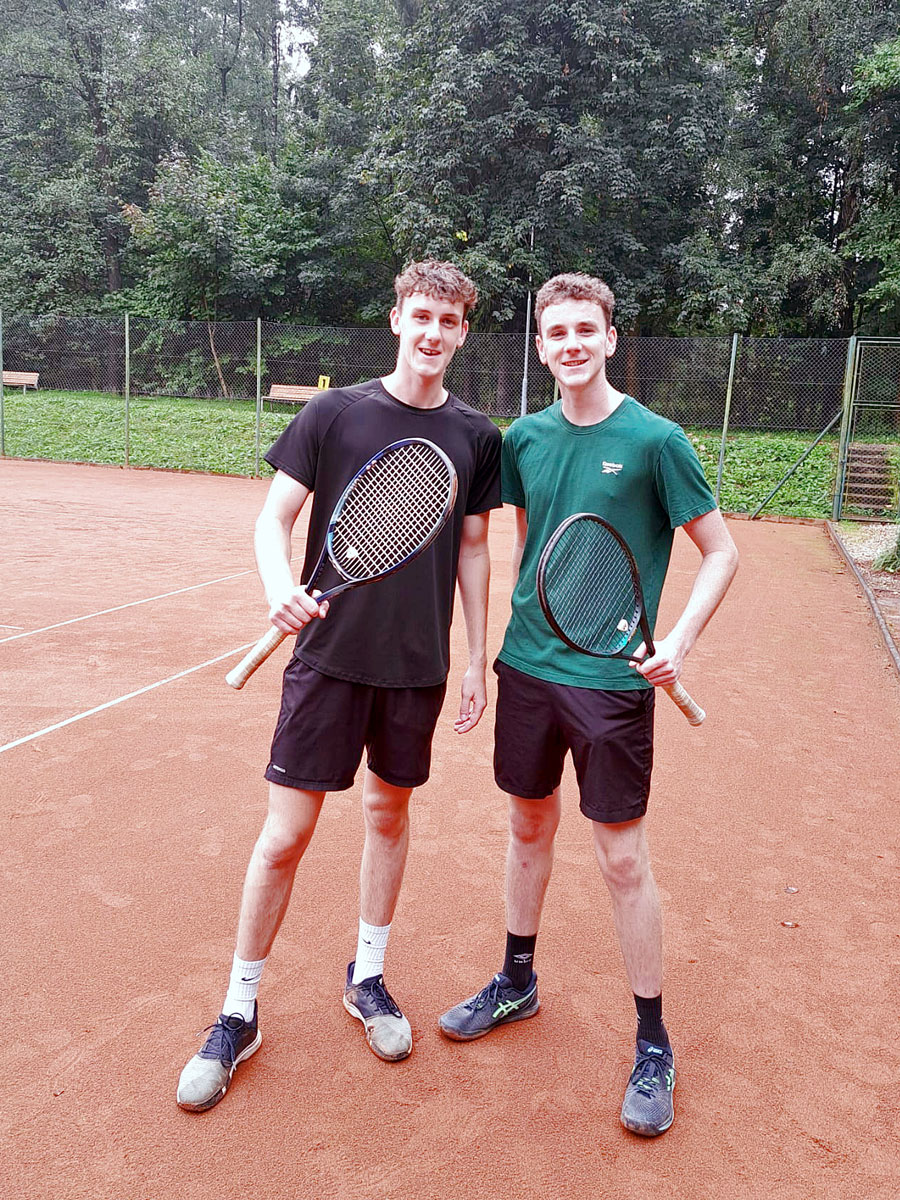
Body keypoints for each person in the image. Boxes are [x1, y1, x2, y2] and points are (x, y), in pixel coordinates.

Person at [177, 260, 501, 1112]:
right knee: (285, 836)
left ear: (464, 333)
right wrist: (277, 586)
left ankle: (368, 976)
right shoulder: (334, 413)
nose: (433, 332)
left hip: (416, 669)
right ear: (396, 319)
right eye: (421, 315)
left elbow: (473, 550)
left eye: (450, 321)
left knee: (388, 816)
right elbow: (273, 518)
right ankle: (238, 1012)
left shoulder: (477, 435)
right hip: (324, 663)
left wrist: (476, 658)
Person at [438, 272, 738, 1137]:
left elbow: (720, 552)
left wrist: (677, 640)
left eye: (585, 330)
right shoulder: (525, 440)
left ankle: (653, 1042)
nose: (571, 344)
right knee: (527, 827)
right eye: (556, 333)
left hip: (612, 682)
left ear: (610, 338)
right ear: (541, 348)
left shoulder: (657, 441)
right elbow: (534, 545)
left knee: (621, 860)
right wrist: (496, 653)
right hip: (530, 669)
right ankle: (517, 982)